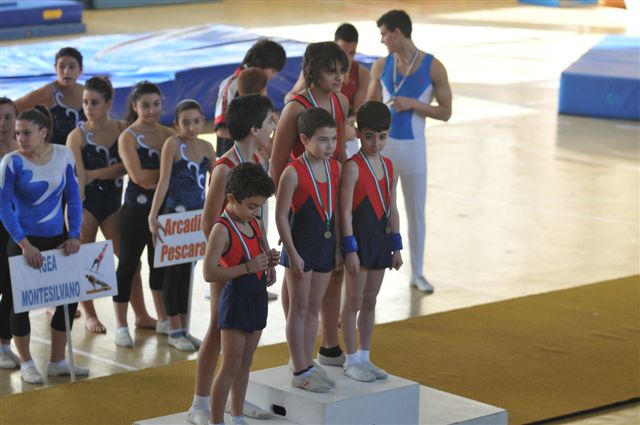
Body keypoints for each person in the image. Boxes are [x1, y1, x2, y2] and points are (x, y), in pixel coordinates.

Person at [188, 95, 276, 425]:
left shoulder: (255, 158)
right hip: (229, 261)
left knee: (240, 342)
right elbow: (210, 220)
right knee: (217, 328)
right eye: (269, 122)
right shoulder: (225, 166)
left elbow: (256, 217)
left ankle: (233, 401)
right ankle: (200, 403)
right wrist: (230, 262)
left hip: (250, 259)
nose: (273, 127)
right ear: (254, 128)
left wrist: (262, 254)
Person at [271, 41, 349, 368]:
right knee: (298, 276)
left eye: (342, 70)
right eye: (331, 71)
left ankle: (328, 345)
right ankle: (298, 354)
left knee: (333, 271)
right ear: (314, 72)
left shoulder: (341, 101)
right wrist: (286, 210)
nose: (339, 77)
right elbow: (276, 163)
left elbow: (339, 153)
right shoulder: (295, 107)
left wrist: (345, 200)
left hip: (330, 195)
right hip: (301, 199)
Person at [0, 105, 88, 383]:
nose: (20, 139)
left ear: (43, 132)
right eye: (17, 133)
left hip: (58, 239)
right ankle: (26, 362)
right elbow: (3, 207)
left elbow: (73, 196)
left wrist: (74, 234)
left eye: (26, 133)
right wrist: (24, 244)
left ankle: (57, 361)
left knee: (69, 299)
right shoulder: (12, 162)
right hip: (24, 242)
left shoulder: (63, 155)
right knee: (20, 302)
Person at [366, 9, 452, 293]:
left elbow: (446, 112)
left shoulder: (433, 67)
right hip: (385, 148)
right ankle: (373, 265)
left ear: (397, 32)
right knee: (378, 209)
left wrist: (415, 104)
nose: (382, 40)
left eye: (384, 34)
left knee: (415, 211)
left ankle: (418, 272)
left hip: (414, 148)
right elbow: (368, 107)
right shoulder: (381, 66)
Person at [67, 76, 157, 334]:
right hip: (86, 204)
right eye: (85, 102)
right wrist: (75, 215)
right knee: (86, 261)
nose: (88, 107)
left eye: (94, 102)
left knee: (131, 261)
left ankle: (141, 314)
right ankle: (89, 314)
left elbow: (128, 168)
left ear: (108, 104)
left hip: (114, 205)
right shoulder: (77, 136)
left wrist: (97, 173)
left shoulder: (123, 130)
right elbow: (79, 177)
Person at [205, 162, 278, 425]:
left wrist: (270, 263)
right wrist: (248, 267)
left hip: (256, 297)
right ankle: (216, 421)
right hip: (235, 300)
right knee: (230, 365)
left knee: (246, 362)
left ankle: (237, 416)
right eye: (251, 206)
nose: (256, 211)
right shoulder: (221, 229)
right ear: (231, 199)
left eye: (260, 206)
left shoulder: (256, 222)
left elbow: (262, 252)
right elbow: (209, 272)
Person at [276, 108, 341, 392]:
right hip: (300, 246)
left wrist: (338, 248)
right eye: (323, 140)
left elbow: (336, 210)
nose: (330, 146)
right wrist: (292, 253)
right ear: (304, 139)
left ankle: (307, 362)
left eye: (333, 139)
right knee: (299, 308)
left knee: (314, 307)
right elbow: (280, 216)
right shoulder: (292, 172)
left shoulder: (335, 168)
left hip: (325, 244)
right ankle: (299, 368)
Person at [339, 101, 403, 382]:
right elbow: (344, 211)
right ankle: (351, 359)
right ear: (357, 133)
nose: (375, 143)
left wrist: (396, 246)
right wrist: (349, 249)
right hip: (359, 240)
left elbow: (393, 208)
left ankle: (365, 357)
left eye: (382, 137)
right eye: (368, 137)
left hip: (380, 239)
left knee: (370, 300)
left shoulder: (390, 167)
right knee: (353, 300)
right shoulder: (353, 167)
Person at [148, 100, 214, 351]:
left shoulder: (207, 147)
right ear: (176, 124)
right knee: (173, 275)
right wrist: (153, 215)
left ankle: (184, 329)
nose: (191, 127)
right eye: (185, 123)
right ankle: (174, 330)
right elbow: (164, 181)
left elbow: (215, 182)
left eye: (196, 121)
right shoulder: (172, 144)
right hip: (174, 218)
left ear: (202, 121)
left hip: (197, 219)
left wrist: (216, 213)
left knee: (188, 273)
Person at [113, 81, 174, 347]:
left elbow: (179, 174)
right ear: (134, 106)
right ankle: (121, 325)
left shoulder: (170, 135)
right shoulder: (128, 136)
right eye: (145, 105)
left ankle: (164, 319)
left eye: (156, 104)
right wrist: (167, 175)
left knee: (159, 265)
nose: (151, 110)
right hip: (136, 211)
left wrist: (161, 178)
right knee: (128, 265)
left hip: (163, 211)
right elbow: (138, 177)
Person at [213, 39, 286, 157]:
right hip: (232, 155)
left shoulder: (260, 86)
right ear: (261, 64)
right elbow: (221, 130)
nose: (273, 76)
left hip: (253, 155)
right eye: (272, 70)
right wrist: (251, 138)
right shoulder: (231, 85)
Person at [285, 23, 371, 111]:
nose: (348, 57)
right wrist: (291, 100)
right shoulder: (315, 68)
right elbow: (292, 96)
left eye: (352, 53)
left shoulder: (362, 74)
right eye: (343, 52)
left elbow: (357, 111)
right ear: (335, 46)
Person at [15, 47, 86, 146]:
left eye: (72, 67)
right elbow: (13, 108)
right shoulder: (48, 92)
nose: (66, 71)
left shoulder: (87, 92)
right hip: (54, 153)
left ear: (80, 70)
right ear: (55, 68)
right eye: (62, 66)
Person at [0, 97, 20, 369]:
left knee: (12, 286)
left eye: (8, 117)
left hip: (15, 228)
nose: (2, 123)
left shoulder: (22, 151)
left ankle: (5, 343)